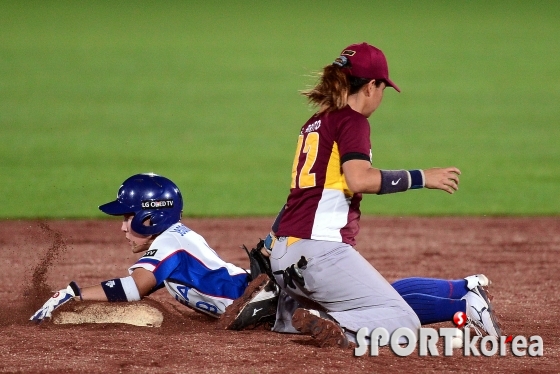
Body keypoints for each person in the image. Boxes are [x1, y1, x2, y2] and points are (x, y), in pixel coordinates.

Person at [219, 43, 502, 348]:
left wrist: (269, 245)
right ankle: (339, 325)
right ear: (370, 87)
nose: (382, 97)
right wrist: (423, 178)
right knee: (402, 319)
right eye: (383, 88)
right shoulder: (351, 121)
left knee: (380, 298)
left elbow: (298, 196)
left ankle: (287, 314)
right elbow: (359, 179)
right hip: (318, 258)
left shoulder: (315, 122)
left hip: (284, 260)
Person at [30, 173, 276, 323]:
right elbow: (134, 289)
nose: (123, 228)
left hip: (264, 299)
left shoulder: (170, 243)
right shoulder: (172, 238)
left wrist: (74, 294)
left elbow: (134, 287)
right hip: (255, 299)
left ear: (151, 218)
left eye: (128, 218)